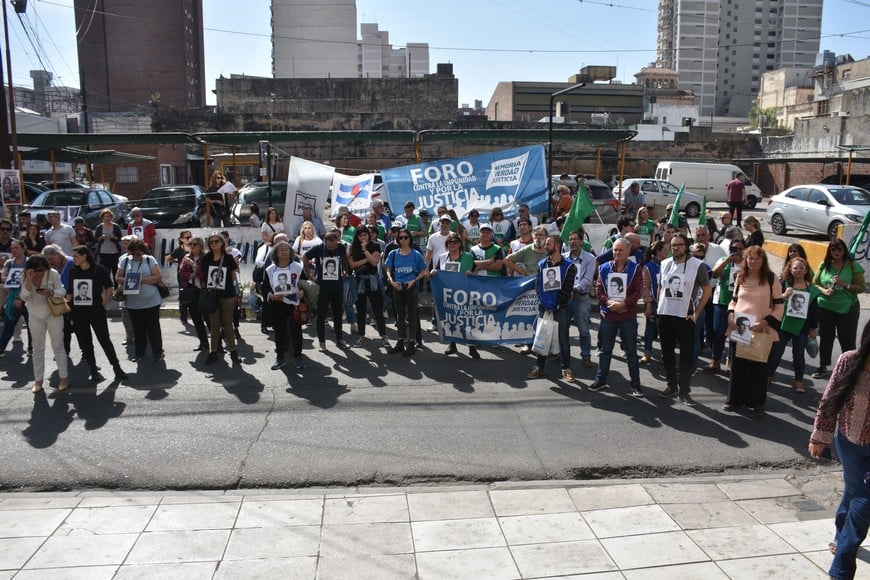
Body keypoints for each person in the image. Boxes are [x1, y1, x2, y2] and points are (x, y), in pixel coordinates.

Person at [809, 320, 870, 580]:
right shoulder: (849, 361)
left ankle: (841, 571)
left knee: (864, 500)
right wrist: (820, 436)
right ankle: (840, 533)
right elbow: (829, 400)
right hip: (849, 441)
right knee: (855, 491)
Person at [724, 246, 783, 420]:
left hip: (762, 330)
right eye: (749, 258)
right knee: (737, 367)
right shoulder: (740, 278)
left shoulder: (772, 279)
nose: (752, 261)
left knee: (758, 369)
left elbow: (779, 307)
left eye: (756, 258)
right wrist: (730, 317)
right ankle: (734, 401)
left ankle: (757, 404)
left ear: (763, 260)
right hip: (740, 329)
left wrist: (763, 322)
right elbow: (733, 302)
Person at [656, 233, 711, 406]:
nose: (675, 248)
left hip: (685, 316)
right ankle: (671, 385)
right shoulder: (664, 263)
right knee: (667, 354)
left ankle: (685, 391)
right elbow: (660, 286)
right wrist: (659, 306)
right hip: (665, 316)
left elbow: (707, 289)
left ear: (686, 246)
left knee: (686, 356)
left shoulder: (697, 265)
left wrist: (697, 312)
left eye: (679, 245)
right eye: (673, 245)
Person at [590, 238, 643, 395]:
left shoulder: (635, 269)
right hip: (608, 316)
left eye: (621, 250)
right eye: (615, 250)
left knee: (631, 352)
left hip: (628, 316)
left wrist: (623, 304)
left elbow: (637, 291)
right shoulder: (605, 268)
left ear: (628, 252)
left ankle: (635, 384)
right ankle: (600, 380)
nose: (617, 253)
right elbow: (599, 289)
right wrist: (609, 303)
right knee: (605, 350)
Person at [68, 246, 127, 381]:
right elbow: (70, 291)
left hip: (96, 310)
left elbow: (109, 287)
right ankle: (93, 370)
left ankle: (117, 368)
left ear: (84, 256)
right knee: (85, 342)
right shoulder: (73, 271)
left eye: (76, 256)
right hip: (78, 312)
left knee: (104, 340)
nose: (74, 259)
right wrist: (67, 308)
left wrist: (104, 302)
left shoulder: (99, 270)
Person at [813, 238, 865, 379]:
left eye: (839, 249)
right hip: (825, 307)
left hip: (847, 309)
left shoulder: (853, 266)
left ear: (844, 250)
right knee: (825, 338)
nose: (836, 252)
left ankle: (849, 369)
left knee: (847, 339)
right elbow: (815, 283)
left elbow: (861, 288)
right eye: (833, 249)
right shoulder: (824, 265)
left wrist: (845, 285)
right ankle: (823, 366)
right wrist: (824, 291)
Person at [527, 235, 577, 381]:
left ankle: (566, 369)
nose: (545, 246)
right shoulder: (542, 264)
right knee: (542, 337)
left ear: (557, 246)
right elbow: (538, 285)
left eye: (548, 244)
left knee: (563, 341)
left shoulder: (569, 266)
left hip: (560, 309)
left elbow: (567, 289)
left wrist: (555, 304)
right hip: (544, 308)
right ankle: (539, 367)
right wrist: (544, 302)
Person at [767, 257, 819, 393]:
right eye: (795, 267)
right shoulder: (783, 283)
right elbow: (772, 300)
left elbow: (814, 311)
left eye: (802, 267)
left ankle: (798, 381)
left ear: (806, 270)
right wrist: (784, 295)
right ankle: (768, 376)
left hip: (802, 326)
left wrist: (814, 328)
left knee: (799, 354)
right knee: (776, 352)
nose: (798, 270)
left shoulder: (812, 289)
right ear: (790, 269)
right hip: (783, 324)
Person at [19, 255, 69, 393]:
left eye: (43, 269)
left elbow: (62, 291)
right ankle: (38, 380)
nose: (41, 272)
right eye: (37, 270)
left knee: (58, 345)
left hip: (53, 314)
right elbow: (24, 296)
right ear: (30, 269)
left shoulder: (52, 273)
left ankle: (64, 377)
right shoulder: (24, 276)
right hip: (34, 315)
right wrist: (29, 280)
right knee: (37, 349)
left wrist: (51, 292)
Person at [431, 231, 478, 359]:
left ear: (459, 244)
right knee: (450, 320)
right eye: (450, 242)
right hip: (448, 294)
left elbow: (475, 273)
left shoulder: (468, 257)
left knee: (467, 320)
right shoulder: (442, 257)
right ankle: (452, 344)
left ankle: (472, 346)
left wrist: (471, 274)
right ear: (447, 244)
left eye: (455, 242)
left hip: (464, 294)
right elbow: (436, 270)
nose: (453, 244)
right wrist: (433, 272)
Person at [116, 239, 164, 363]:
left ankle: (158, 352)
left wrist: (140, 279)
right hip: (133, 303)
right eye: (133, 254)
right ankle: (139, 353)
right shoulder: (125, 261)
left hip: (151, 301)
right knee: (138, 329)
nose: (136, 256)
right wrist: (129, 279)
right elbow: (118, 277)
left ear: (143, 252)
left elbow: (158, 277)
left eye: (138, 254)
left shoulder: (149, 260)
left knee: (153, 327)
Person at [304, 230, 351, 352]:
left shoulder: (340, 248)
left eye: (333, 243)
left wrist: (344, 270)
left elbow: (345, 257)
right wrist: (308, 273)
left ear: (337, 241)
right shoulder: (319, 248)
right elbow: (305, 256)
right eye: (328, 243)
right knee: (321, 314)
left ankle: (340, 340)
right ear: (324, 241)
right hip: (323, 286)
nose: (330, 246)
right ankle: (322, 341)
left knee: (337, 314)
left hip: (337, 286)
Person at [262, 241, 305, 370]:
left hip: (293, 303)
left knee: (296, 331)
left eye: (287, 249)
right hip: (277, 304)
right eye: (281, 250)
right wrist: (272, 296)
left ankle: (298, 357)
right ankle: (280, 358)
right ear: (276, 253)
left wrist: (302, 291)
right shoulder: (270, 270)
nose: (284, 251)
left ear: (290, 252)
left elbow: (304, 283)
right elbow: (265, 288)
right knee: (279, 332)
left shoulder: (297, 267)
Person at [385, 228, 427, 357]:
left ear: (410, 239)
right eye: (401, 237)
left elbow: (423, 271)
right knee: (400, 315)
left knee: (412, 315)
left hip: (411, 286)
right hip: (397, 286)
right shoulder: (393, 253)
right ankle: (400, 340)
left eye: (405, 237)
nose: (403, 239)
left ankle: (412, 342)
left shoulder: (416, 254)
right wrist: (391, 281)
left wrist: (414, 280)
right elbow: (388, 269)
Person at [201, 234, 240, 365]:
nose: (214, 244)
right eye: (211, 242)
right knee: (214, 325)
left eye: (216, 241)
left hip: (228, 295)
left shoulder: (228, 258)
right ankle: (213, 352)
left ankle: (233, 352)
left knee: (227, 323)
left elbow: (233, 276)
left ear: (222, 243)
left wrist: (233, 288)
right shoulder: (206, 258)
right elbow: (204, 276)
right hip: (212, 296)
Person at [348, 227, 389, 349]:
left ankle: (384, 336)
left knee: (378, 309)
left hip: (372, 281)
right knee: (360, 311)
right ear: (357, 236)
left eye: (365, 235)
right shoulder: (353, 247)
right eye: (360, 235)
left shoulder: (375, 245)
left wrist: (365, 251)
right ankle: (361, 337)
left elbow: (374, 262)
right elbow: (352, 265)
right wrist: (367, 259)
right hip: (359, 281)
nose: (363, 237)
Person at [178, 236, 210, 352]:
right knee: (196, 319)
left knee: (208, 318)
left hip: (204, 290)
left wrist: (193, 266)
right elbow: (182, 274)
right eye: (190, 244)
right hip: (192, 290)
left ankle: (218, 343)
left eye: (194, 244)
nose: (192, 246)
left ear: (200, 246)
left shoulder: (205, 257)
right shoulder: (186, 257)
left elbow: (204, 274)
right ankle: (203, 342)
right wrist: (192, 274)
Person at [0, 240, 31, 356]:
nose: (14, 250)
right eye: (12, 248)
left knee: (30, 325)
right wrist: (5, 278)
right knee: (8, 323)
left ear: (24, 248)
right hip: (12, 297)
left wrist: (21, 297)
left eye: (17, 248)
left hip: (27, 298)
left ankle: (31, 348)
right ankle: (1, 348)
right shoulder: (9, 262)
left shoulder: (29, 262)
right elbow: (3, 275)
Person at [640, 240, 668, 365]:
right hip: (654, 302)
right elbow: (646, 287)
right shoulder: (648, 267)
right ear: (658, 251)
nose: (668, 253)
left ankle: (666, 354)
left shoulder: (669, 264)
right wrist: (649, 305)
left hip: (667, 303)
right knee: (650, 328)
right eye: (666, 250)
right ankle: (647, 353)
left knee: (665, 330)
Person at [94, 209, 123, 279]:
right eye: (105, 216)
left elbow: (120, 238)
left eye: (109, 216)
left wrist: (114, 237)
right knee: (105, 271)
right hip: (103, 252)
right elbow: (96, 240)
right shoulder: (99, 227)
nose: (107, 218)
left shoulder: (116, 226)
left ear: (111, 217)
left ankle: (116, 287)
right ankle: (107, 286)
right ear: (102, 218)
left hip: (114, 252)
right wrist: (101, 238)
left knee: (115, 270)